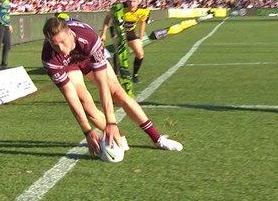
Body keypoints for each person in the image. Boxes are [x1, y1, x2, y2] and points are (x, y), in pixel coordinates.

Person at [41, 17, 183, 157]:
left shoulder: (89, 39)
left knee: (117, 93)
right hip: (69, 65)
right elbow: (70, 95)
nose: (60, 48)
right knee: (85, 104)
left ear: (70, 33)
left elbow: (102, 83)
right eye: (54, 44)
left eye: (62, 42)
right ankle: (118, 138)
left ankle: (157, 139)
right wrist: (87, 130)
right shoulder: (49, 57)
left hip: (87, 55)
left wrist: (111, 121)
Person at [101, 0, 149, 83]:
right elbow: (107, 19)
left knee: (140, 53)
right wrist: (103, 34)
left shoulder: (144, 10)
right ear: (126, 1)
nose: (132, 4)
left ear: (138, 2)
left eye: (134, 2)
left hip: (130, 31)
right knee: (119, 50)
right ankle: (115, 75)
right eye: (129, 1)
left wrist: (140, 37)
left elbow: (142, 23)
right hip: (116, 30)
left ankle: (135, 74)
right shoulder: (119, 8)